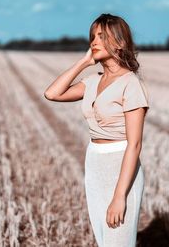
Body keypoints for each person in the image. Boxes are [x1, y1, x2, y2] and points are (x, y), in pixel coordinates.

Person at [44, 13, 149, 247]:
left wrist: (119, 196)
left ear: (120, 42)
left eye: (101, 36)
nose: (94, 41)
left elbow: (134, 145)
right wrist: (83, 63)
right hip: (94, 165)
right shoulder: (92, 81)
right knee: (105, 242)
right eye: (92, 36)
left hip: (120, 168)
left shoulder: (130, 84)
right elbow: (52, 94)